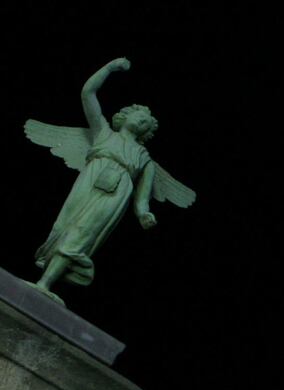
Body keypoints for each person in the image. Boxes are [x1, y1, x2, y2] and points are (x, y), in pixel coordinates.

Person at [25, 57, 194, 304]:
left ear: (147, 132)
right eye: (138, 115)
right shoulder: (103, 133)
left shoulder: (143, 157)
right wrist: (109, 68)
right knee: (64, 226)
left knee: (81, 234)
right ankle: (55, 271)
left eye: (146, 122)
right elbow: (87, 93)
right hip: (91, 180)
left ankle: (45, 283)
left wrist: (143, 213)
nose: (142, 121)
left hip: (117, 192)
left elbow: (143, 197)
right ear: (123, 116)